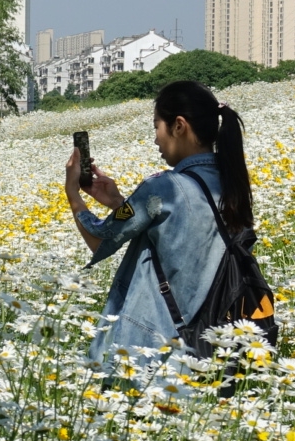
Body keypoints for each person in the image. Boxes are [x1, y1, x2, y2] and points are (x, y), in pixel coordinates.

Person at [65, 79, 255, 369]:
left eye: (157, 127)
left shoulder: (163, 187)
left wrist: (73, 194)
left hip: (153, 351)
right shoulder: (233, 185)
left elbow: (100, 239)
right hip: (213, 346)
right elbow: (169, 232)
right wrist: (118, 203)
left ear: (179, 126)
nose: (155, 139)